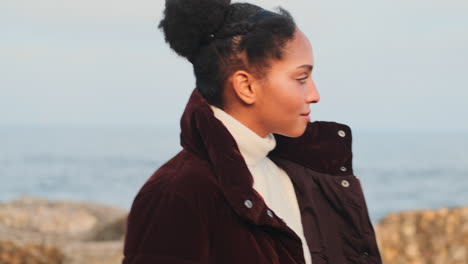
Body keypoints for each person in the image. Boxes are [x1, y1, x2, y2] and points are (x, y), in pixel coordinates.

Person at [122, 0, 383, 263]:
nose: (315, 95)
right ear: (246, 86)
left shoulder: (300, 171)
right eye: (301, 79)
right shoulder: (176, 193)